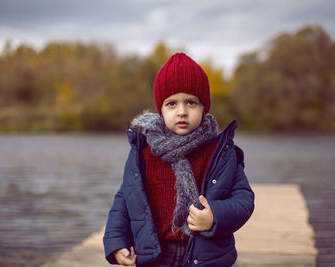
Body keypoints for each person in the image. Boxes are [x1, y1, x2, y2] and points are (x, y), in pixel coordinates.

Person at [103, 52, 254, 267]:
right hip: (154, 253)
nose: (182, 112)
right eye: (172, 104)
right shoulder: (145, 153)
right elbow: (124, 200)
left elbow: (244, 200)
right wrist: (118, 243)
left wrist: (215, 217)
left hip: (204, 254)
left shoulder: (220, 152)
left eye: (191, 103)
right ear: (161, 109)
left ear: (204, 107)